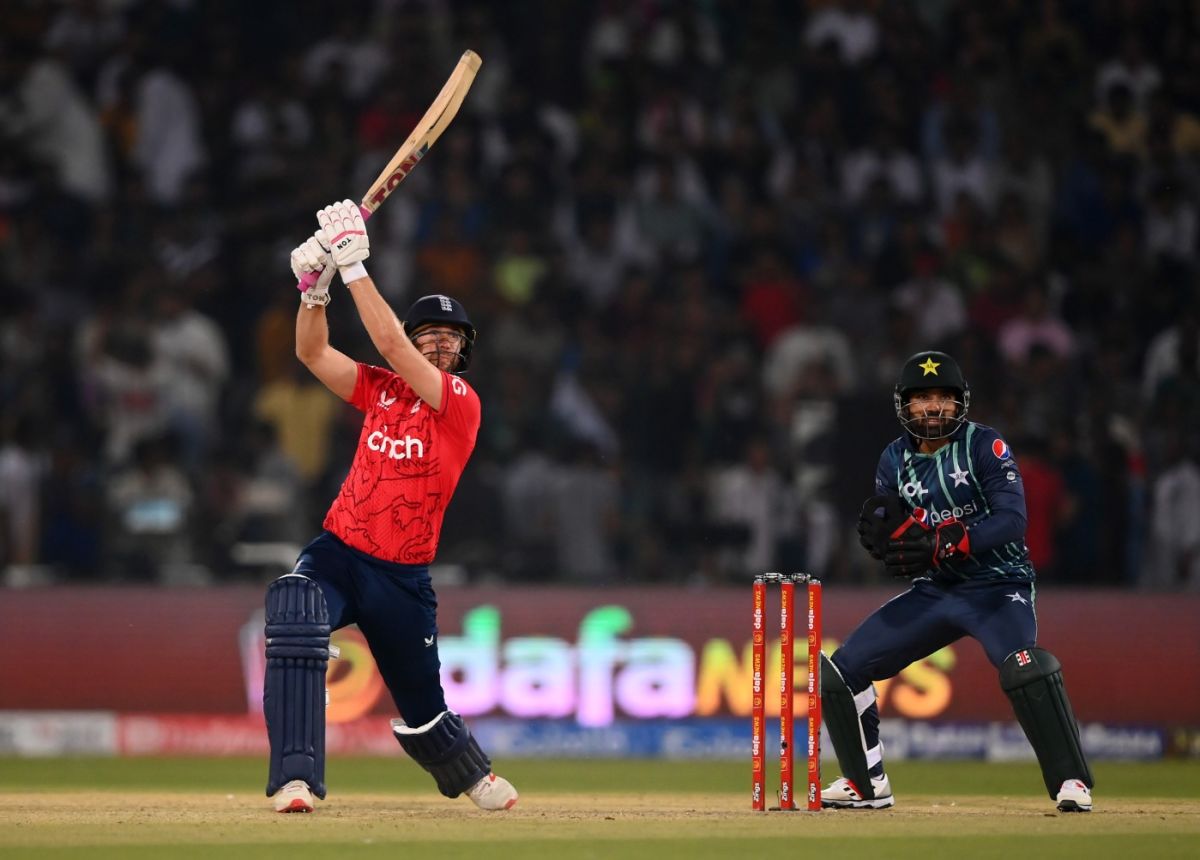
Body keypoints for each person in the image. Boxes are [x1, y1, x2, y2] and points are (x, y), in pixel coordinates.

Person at [263, 200, 518, 814]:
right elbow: (312, 355)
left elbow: (387, 341)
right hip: (339, 552)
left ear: (462, 354)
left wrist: (352, 266)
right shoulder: (382, 390)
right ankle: (296, 781)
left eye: (449, 338)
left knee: (424, 708)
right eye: (428, 334)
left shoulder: (459, 402)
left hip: (402, 577)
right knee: (295, 614)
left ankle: (472, 774)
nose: (437, 344)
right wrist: (313, 291)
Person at [823, 350, 1094, 812]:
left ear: (960, 403)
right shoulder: (893, 459)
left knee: (1024, 665)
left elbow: (1012, 521)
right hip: (935, 590)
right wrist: (888, 545)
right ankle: (866, 785)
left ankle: (1073, 782)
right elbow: (894, 528)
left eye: (943, 398)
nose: (933, 407)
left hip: (998, 586)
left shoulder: (985, 446)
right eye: (922, 398)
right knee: (841, 672)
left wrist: (946, 542)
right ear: (904, 406)